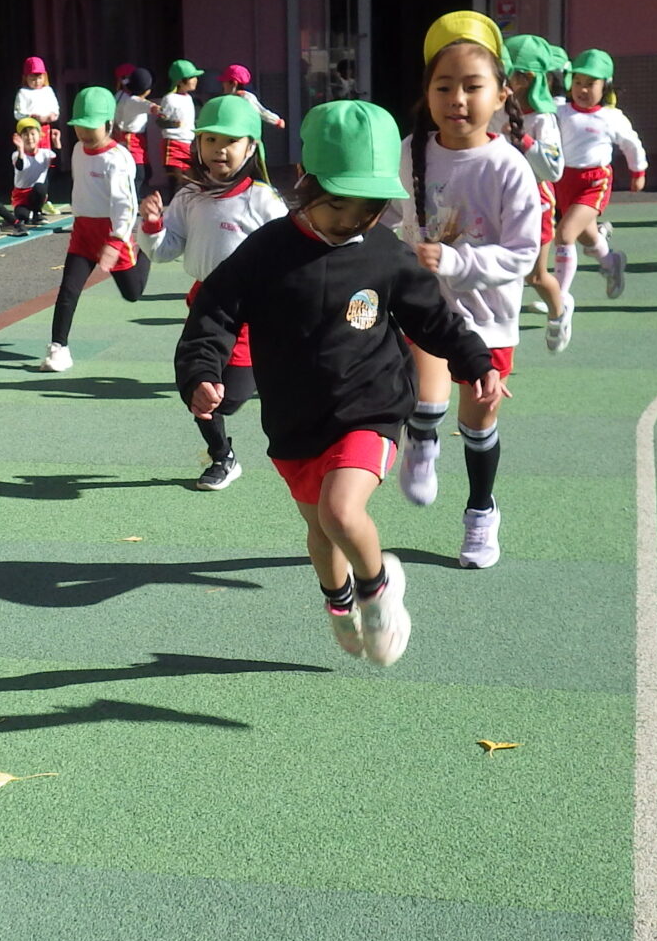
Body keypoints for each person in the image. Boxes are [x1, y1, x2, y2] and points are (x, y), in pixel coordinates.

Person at [176, 100, 498, 666]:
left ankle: (379, 592)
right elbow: (214, 314)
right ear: (304, 181)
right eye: (340, 205)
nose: (354, 220)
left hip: (369, 407)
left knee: (340, 511)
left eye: (369, 209)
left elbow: (434, 318)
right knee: (321, 530)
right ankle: (339, 601)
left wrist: (475, 361)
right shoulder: (266, 252)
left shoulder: (385, 254)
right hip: (295, 419)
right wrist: (201, 371)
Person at [385, 11, 541, 570]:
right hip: (425, 308)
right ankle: (420, 437)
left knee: (478, 423)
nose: (457, 99)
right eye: (444, 86)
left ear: (501, 94)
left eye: (472, 86)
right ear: (427, 94)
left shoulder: (509, 167)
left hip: (488, 320)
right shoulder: (410, 150)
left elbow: (523, 254)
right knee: (427, 400)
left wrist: (455, 259)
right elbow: (387, 214)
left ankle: (480, 510)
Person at [139, 93, 284, 490]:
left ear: (251, 147)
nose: (220, 149)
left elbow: (287, 250)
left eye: (231, 141)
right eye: (211, 140)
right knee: (196, 388)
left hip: (251, 309)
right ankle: (222, 456)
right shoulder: (189, 196)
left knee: (231, 397)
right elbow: (164, 250)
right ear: (198, 145)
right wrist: (151, 226)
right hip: (204, 304)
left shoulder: (262, 198)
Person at [39, 85, 142, 373]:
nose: (84, 133)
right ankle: (58, 348)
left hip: (111, 233)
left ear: (109, 124)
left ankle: (144, 247)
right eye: (79, 126)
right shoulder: (77, 150)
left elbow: (125, 205)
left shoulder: (118, 159)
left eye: (90, 127)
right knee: (68, 290)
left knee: (132, 293)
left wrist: (117, 241)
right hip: (83, 231)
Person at [551, 48, 647, 303]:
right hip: (563, 182)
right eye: (577, 82)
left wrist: (638, 171)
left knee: (565, 234)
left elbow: (632, 144)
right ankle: (611, 262)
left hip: (594, 182)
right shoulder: (560, 111)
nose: (582, 89)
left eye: (590, 83)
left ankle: (558, 298)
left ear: (605, 86)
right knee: (587, 236)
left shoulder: (611, 118)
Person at [497, 35, 574, 349]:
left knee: (535, 276)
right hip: (497, 199)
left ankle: (559, 311)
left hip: (534, 202)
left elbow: (554, 170)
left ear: (525, 79)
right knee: (497, 269)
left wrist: (525, 142)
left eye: (505, 72)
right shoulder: (494, 106)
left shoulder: (542, 119)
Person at [156, 59, 204, 182]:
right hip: (173, 144)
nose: (196, 80)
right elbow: (160, 122)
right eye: (192, 77)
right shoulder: (169, 99)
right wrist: (173, 124)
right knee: (177, 182)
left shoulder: (189, 98)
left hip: (188, 144)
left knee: (191, 182)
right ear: (180, 81)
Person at [114, 66, 158, 185]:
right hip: (131, 139)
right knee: (138, 174)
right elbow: (145, 105)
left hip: (130, 138)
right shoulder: (131, 99)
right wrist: (157, 109)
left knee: (143, 172)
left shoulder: (119, 95)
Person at [12, 56, 61, 154]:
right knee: (31, 153)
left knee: (46, 153)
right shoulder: (23, 92)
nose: (37, 82)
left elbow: (55, 108)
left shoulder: (48, 91)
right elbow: (17, 113)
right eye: (33, 79)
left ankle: (49, 164)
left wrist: (50, 116)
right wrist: (30, 117)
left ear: (45, 77)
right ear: (26, 78)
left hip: (45, 127)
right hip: (29, 129)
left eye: (40, 78)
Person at [11, 118, 57, 219]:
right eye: (25, 135)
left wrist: (56, 143)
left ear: (40, 136)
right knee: (22, 216)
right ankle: (28, 213)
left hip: (37, 193)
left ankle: (37, 212)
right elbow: (20, 166)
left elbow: (56, 164)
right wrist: (20, 149)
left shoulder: (45, 153)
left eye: (33, 134)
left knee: (40, 187)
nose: (29, 138)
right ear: (20, 138)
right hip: (22, 196)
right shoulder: (16, 154)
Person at [219, 64, 286, 130]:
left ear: (234, 83)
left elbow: (261, 111)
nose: (222, 85)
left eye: (224, 82)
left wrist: (276, 120)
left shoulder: (245, 97)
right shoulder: (227, 100)